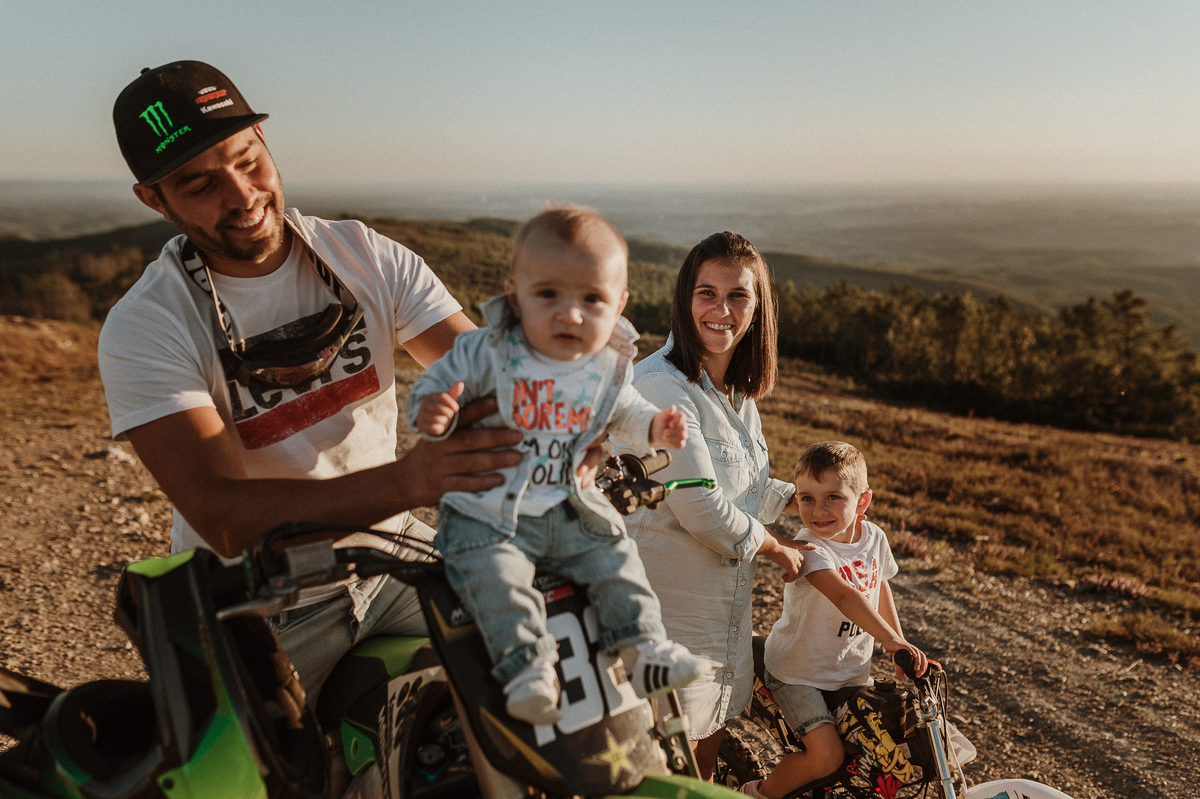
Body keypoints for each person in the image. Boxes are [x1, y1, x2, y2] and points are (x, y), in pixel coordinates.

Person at [98, 60, 524, 702]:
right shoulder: (147, 325)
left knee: (528, 694)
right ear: (153, 199)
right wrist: (412, 480)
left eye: (248, 161)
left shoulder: (364, 257)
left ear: (266, 141)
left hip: (390, 553)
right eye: (199, 184)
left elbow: (487, 369)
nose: (241, 196)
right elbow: (222, 519)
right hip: (261, 603)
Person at [407, 206, 709, 724]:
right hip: (491, 512)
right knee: (495, 579)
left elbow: (625, 410)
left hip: (572, 506)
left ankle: (642, 651)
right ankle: (526, 668)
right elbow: (438, 384)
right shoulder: (488, 351)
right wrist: (434, 410)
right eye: (548, 295)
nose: (571, 314)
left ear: (619, 306)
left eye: (592, 299)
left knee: (616, 557)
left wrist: (654, 428)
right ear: (514, 291)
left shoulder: (605, 366)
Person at [617, 231, 813, 780]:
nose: (721, 310)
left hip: (720, 626)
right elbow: (700, 505)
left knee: (699, 770)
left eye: (738, 296)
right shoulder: (661, 385)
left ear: (758, 307)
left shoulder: (738, 395)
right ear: (685, 299)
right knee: (656, 774)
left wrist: (809, 502)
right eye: (707, 293)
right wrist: (774, 546)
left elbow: (743, 491)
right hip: (668, 621)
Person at [739, 441, 930, 799]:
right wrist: (889, 639)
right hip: (798, 675)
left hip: (850, 672)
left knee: (871, 753)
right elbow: (845, 595)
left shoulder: (874, 537)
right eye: (807, 498)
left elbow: (878, 587)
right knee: (827, 755)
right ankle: (754, 794)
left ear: (862, 502)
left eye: (833, 497)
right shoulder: (809, 547)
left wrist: (897, 643)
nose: (818, 510)